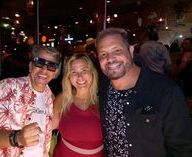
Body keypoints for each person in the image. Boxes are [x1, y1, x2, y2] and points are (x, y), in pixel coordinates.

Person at [95, 27, 192, 157]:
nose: (110, 59)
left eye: (117, 50)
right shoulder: (103, 87)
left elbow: (182, 147)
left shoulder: (166, 90)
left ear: (130, 50)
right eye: (103, 54)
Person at [0, 45, 62, 157]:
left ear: (55, 73)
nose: (44, 70)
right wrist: (17, 138)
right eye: (39, 62)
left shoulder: (51, 99)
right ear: (30, 66)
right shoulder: (7, 88)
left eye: (51, 66)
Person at [52, 53, 104, 157]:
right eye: (74, 72)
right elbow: (47, 128)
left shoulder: (103, 99)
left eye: (84, 70)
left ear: (92, 72)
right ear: (68, 77)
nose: (80, 77)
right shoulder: (62, 99)